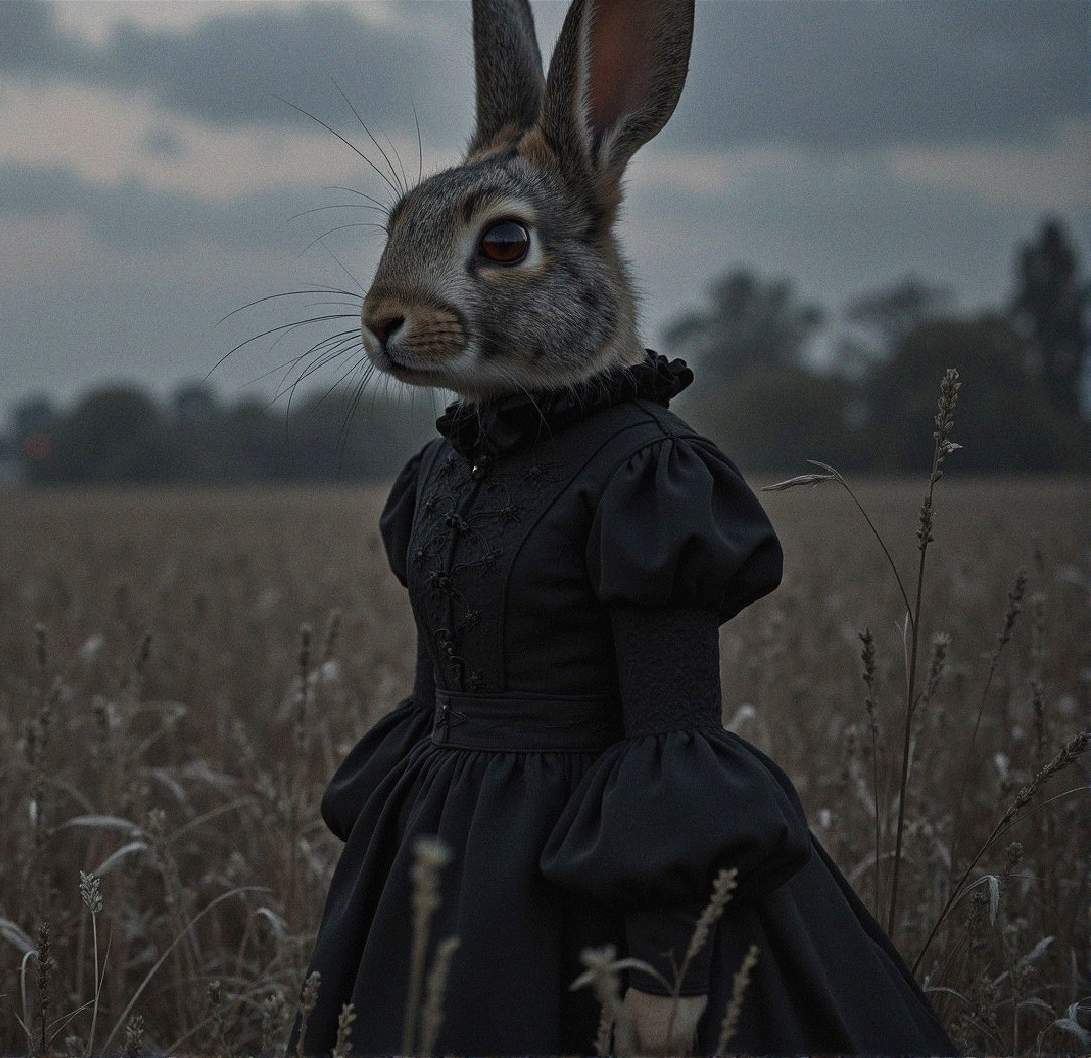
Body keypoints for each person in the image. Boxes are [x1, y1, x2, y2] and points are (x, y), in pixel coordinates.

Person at [293, 0, 956, 1053]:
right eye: (401, 246)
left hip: (594, 881)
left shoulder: (643, 477)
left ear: (583, 249)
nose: (389, 304)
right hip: (449, 866)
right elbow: (437, 696)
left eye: (497, 246)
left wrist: (665, 965)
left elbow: (669, 734)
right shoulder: (441, 475)